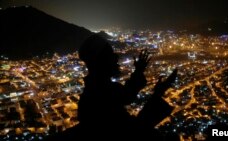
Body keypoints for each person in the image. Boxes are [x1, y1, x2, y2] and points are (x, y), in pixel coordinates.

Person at [45, 34, 178, 141]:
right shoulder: (101, 95)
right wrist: (158, 92)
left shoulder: (95, 92)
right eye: (111, 55)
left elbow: (126, 97)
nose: (116, 59)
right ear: (100, 62)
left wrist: (139, 72)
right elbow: (134, 130)